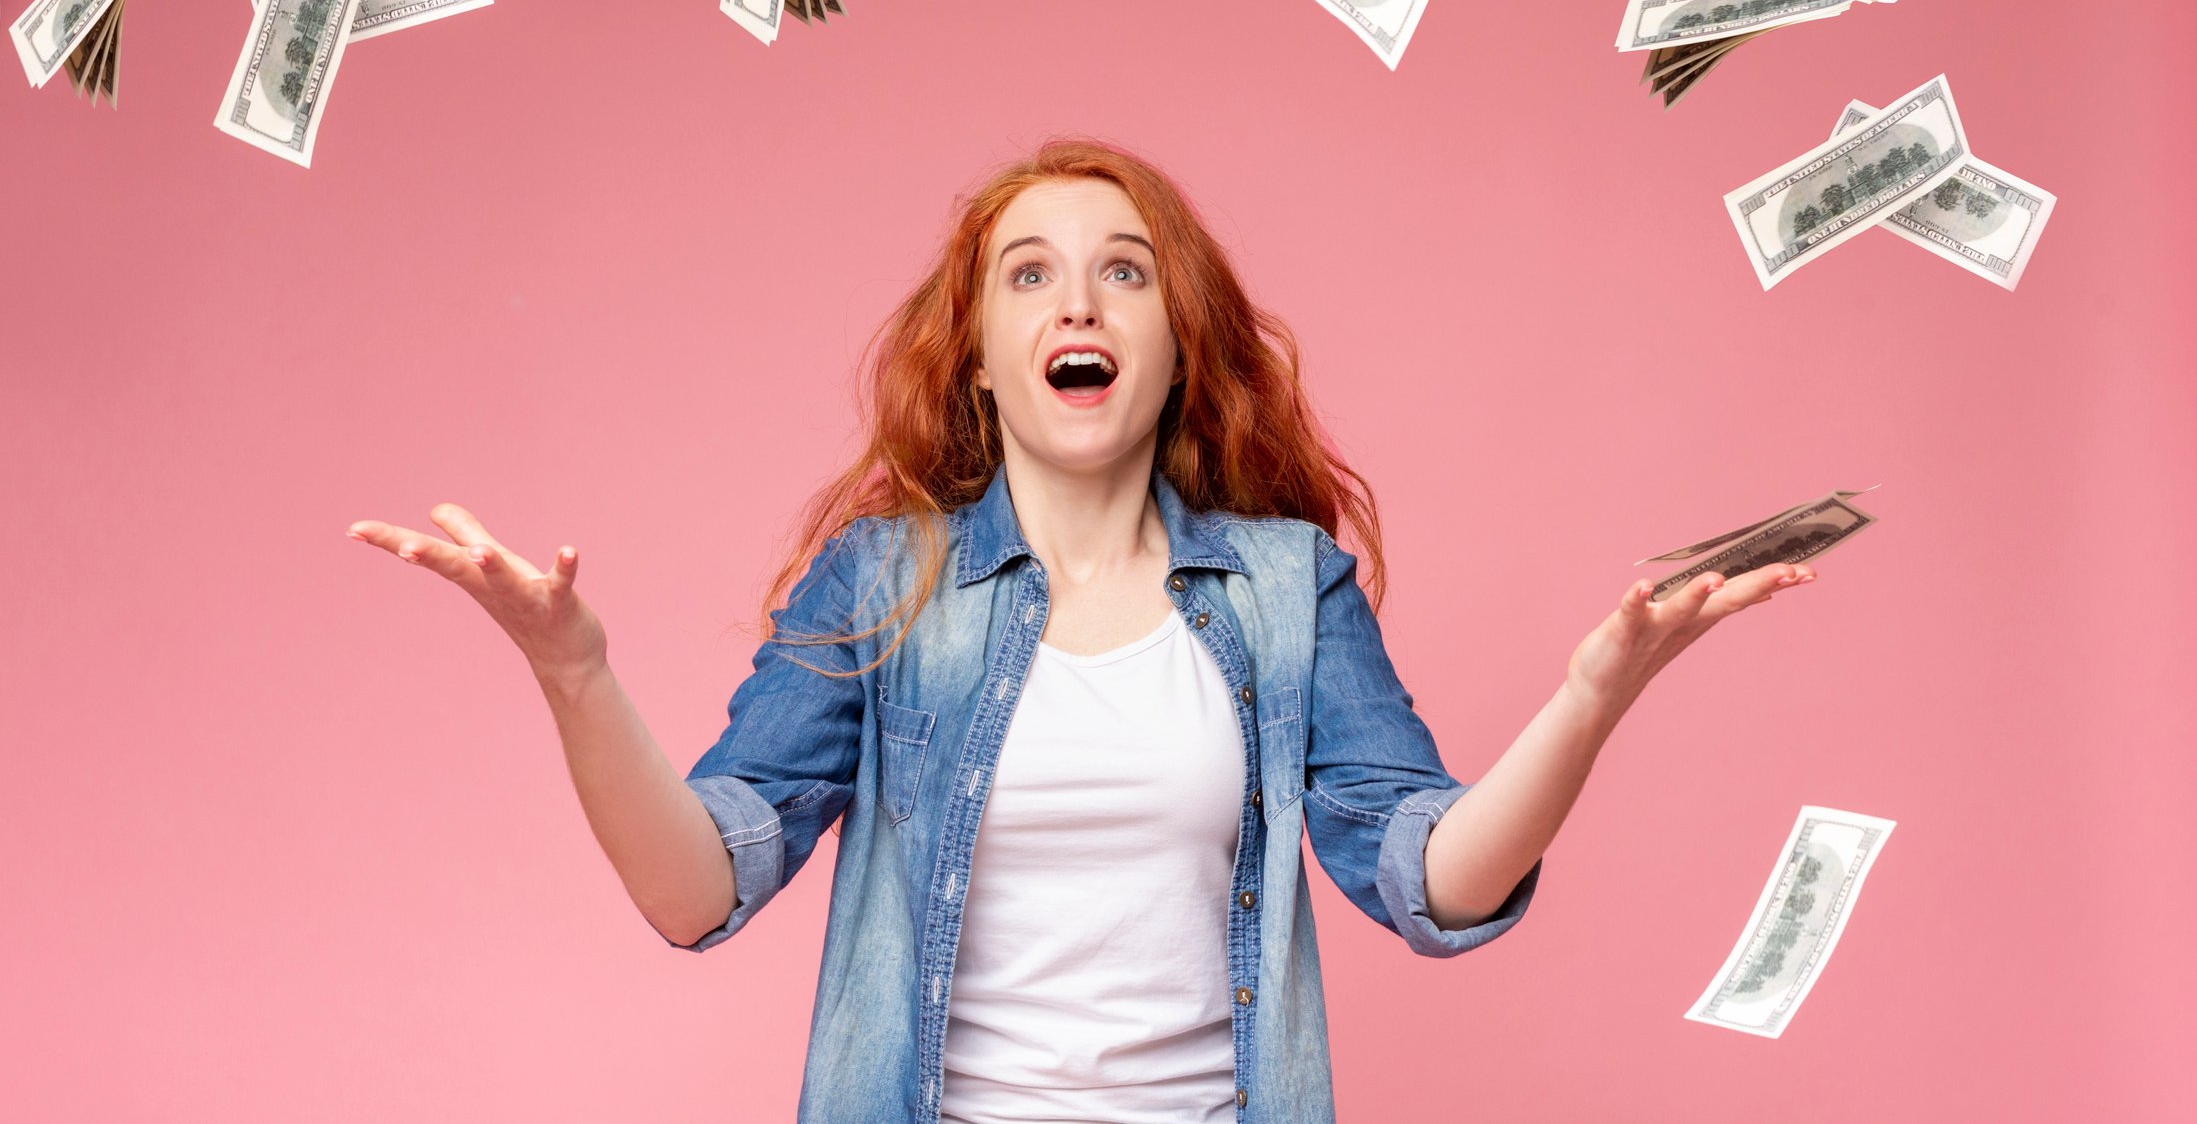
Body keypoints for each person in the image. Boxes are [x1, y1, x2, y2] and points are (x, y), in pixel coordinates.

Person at [346, 138, 1816, 1123]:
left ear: (1174, 342)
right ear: (983, 360)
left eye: (1124, 267)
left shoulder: (1283, 589)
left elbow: (1428, 877)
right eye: (1028, 270)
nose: (1080, 295)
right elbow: (695, 889)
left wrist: (1590, 695)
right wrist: (576, 675)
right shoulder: (884, 586)